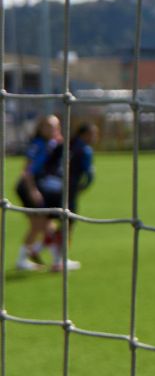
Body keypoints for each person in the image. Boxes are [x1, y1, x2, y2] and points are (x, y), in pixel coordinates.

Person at [37, 121, 94, 272]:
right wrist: (81, 187)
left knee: (52, 221)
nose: (95, 137)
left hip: (50, 188)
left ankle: (39, 249)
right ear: (85, 134)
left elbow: (47, 164)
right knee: (68, 224)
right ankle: (59, 260)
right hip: (68, 190)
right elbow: (89, 175)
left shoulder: (63, 144)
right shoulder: (85, 150)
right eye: (93, 134)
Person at [14, 115, 60, 271]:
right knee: (39, 224)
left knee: (48, 225)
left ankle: (56, 258)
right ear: (41, 128)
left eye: (55, 126)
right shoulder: (37, 144)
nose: (52, 129)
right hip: (28, 186)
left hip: (40, 186)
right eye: (48, 126)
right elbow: (27, 170)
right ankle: (23, 259)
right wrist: (33, 190)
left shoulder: (53, 144)